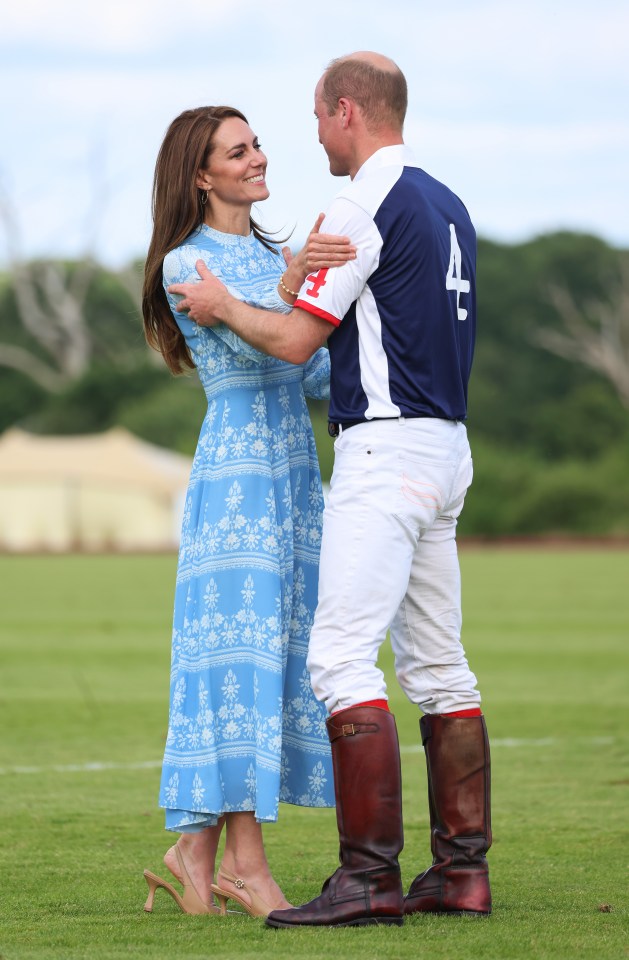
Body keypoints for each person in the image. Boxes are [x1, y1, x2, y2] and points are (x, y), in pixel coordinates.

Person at [168, 52, 492, 928]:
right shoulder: (446, 203)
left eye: (313, 119)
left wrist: (238, 306)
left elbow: (294, 344)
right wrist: (272, 290)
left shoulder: (361, 205)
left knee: (337, 659)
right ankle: (460, 873)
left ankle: (366, 880)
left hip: (385, 452)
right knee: (438, 664)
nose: (306, 138)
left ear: (345, 110)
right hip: (444, 445)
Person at [140, 105, 356, 918]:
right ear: (202, 174)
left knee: (276, 657)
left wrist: (312, 292)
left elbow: (308, 374)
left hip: (295, 476)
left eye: (257, 143)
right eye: (239, 151)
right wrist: (289, 299)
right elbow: (258, 348)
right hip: (235, 481)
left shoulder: (270, 256)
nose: (259, 158)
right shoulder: (184, 265)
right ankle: (244, 866)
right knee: (237, 665)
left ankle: (192, 852)